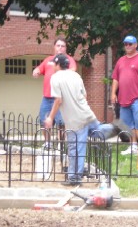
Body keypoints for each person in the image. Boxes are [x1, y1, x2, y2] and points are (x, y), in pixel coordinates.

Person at [44, 54, 99, 186]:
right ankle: (74, 176)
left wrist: (51, 117)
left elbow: (58, 100)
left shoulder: (55, 78)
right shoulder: (76, 75)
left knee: (75, 148)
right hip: (87, 114)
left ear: (57, 65)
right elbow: (84, 95)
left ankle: (74, 178)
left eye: (54, 64)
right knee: (100, 134)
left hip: (75, 120)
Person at [111, 35, 138, 155]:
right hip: (123, 98)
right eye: (126, 44)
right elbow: (115, 78)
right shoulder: (121, 60)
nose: (128, 46)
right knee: (128, 124)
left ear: (136, 45)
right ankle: (133, 146)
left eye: (130, 44)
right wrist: (113, 93)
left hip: (137, 98)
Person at [32, 37, 77, 148]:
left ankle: (60, 145)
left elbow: (73, 70)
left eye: (63, 46)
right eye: (58, 45)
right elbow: (39, 68)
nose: (60, 48)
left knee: (61, 123)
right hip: (47, 98)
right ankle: (47, 143)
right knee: (44, 121)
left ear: (66, 48)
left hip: (61, 98)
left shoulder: (68, 60)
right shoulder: (48, 60)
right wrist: (36, 71)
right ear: (54, 47)